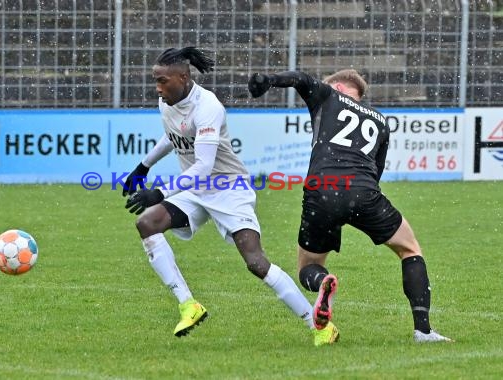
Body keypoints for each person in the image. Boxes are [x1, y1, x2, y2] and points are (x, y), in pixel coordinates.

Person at [122, 47, 335, 345]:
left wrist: (160, 192)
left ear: (183, 77)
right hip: (195, 190)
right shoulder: (166, 101)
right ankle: (189, 305)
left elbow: (204, 165)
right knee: (147, 224)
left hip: (229, 189)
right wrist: (142, 167)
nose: (158, 88)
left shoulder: (208, 107)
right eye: (155, 80)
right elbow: (174, 135)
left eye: (163, 81)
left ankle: (320, 327)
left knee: (256, 263)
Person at [248, 69, 453, 344]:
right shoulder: (380, 121)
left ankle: (321, 282)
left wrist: (268, 80)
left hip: (321, 191)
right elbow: (376, 172)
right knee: (410, 249)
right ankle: (423, 331)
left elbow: (299, 79)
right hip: (363, 193)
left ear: (339, 87)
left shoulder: (328, 96)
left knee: (307, 267)